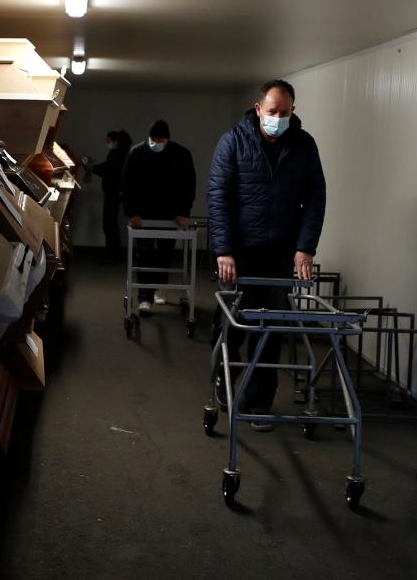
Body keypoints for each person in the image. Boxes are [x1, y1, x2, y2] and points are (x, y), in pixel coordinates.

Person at [207, 79, 326, 431]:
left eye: (285, 113)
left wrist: (305, 249)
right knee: (232, 321)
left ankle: (260, 402)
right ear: (258, 109)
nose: (277, 118)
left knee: (271, 327)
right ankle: (224, 381)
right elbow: (218, 197)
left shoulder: (304, 146)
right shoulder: (233, 142)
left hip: (280, 253)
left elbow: (315, 199)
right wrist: (224, 250)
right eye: (272, 111)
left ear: (293, 112)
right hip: (239, 253)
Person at [122, 119, 196, 315]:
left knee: (165, 253)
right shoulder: (136, 153)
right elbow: (127, 186)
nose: (157, 142)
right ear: (148, 138)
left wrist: (183, 212)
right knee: (144, 253)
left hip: (170, 214)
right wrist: (132, 213)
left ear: (168, 139)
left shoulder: (181, 154)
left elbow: (188, 186)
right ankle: (145, 297)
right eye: (153, 138)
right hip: (143, 214)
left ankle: (156, 289)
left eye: (161, 139)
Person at [89, 130, 132, 262]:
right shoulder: (121, 154)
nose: (107, 143)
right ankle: (113, 253)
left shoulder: (118, 155)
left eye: (109, 141)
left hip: (113, 193)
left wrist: (93, 168)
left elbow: (110, 171)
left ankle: (112, 255)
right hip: (115, 193)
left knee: (109, 224)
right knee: (110, 224)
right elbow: (108, 168)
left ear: (116, 141)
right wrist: (95, 168)